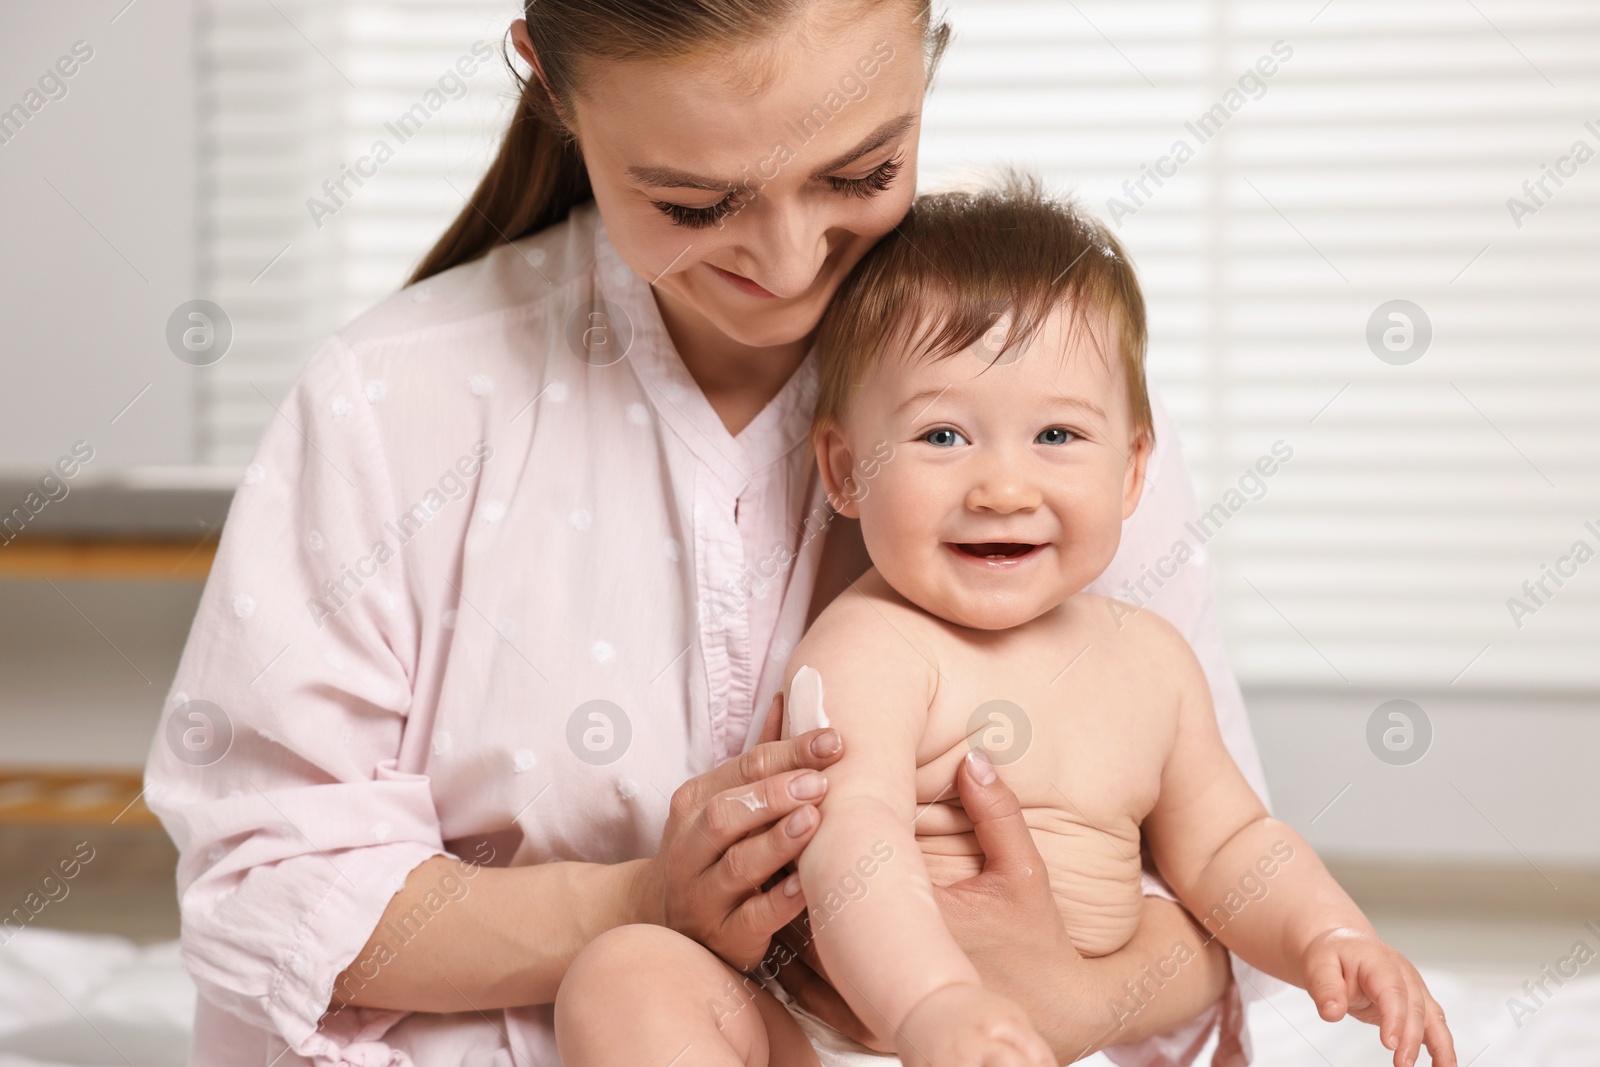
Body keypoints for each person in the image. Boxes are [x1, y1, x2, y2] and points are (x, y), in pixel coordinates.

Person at [143, 2, 1274, 1064]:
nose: (787, 267)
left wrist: (1058, 997)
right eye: (692, 204)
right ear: (551, 84)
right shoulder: (393, 403)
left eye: (864, 172)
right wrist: (636, 901)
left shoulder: (1042, 417)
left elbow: (1207, 881)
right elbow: (267, 892)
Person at [551, 182, 1458, 1067]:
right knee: (627, 976)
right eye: (943, 436)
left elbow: (1228, 847)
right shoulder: (875, 645)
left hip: (1057, 1040)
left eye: (1057, 436)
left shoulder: (1150, 662)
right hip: (841, 1037)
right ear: (845, 471)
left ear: (1135, 470)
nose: (1002, 488)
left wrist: (1329, 934)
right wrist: (934, 1005)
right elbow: (853, 839)